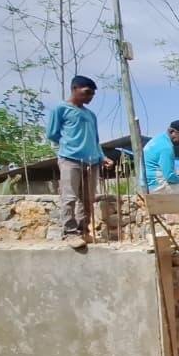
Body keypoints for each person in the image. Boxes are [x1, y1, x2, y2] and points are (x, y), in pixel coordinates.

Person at [46, 75, 112, 249]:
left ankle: (84, 231)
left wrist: (101, 155)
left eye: (92, 94)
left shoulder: (91, 115)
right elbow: (52, 133)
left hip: (92, 160)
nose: (89, 97)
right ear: (74, 89)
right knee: (69, 197)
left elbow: (95, 139)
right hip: (70, 159)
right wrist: (71, 144)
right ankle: (69, 232)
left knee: (87, 198)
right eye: (87, 93)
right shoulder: (61, 109)